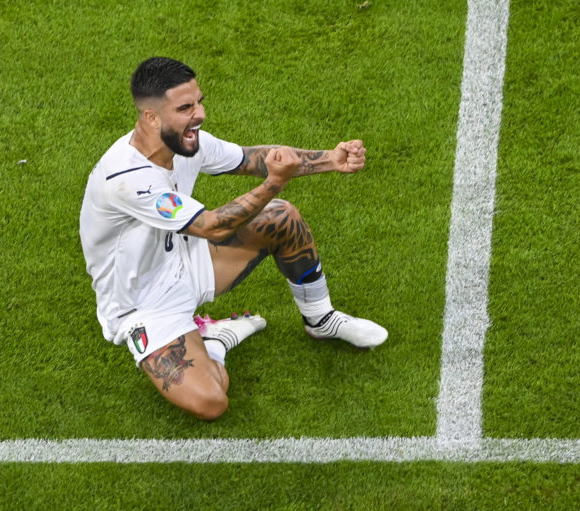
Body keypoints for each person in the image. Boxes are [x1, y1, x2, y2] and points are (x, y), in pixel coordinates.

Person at [79, 57, 387, 420]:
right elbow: (212, 227)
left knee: (281, 217)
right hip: (143, 304)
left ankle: (321, 321)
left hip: (183, 258)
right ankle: (214, 341)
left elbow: (250, 158)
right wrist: (274, 183)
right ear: (151, 117)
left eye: (199, 102)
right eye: (185, 108)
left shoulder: (183, 142)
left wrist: (330, 160)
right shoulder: (126, 179)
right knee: (212, 402)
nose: (200, 114)